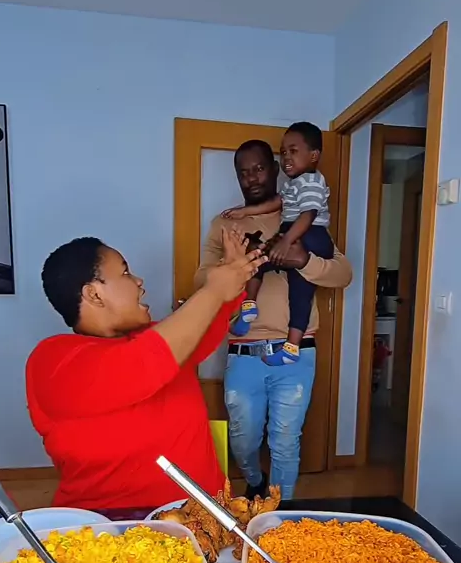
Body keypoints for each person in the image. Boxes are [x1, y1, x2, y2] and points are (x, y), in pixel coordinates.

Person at [26, 232, 266, 511]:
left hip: (203, 518)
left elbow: (201, 330)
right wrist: (213, 290)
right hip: (112, 526)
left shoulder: (156, 339)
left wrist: (233, 277)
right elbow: (142, 364)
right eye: (125, 272)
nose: (139, 281)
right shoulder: (53, 359)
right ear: (94, 294)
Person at [195, 139, 352, 500]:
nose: (251, 178)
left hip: (297, 351)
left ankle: (279, 513)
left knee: (285, 440)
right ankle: (254, 480)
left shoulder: (300, 212)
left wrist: (304, 261)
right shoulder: (225, 223)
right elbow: (200, 278)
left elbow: (343, 274)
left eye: (259, 168)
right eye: (243, 172)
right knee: (243, 438)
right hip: (243, 351)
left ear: (276, 169)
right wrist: (234, 265)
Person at [222, 122, 333, 366]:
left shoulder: (312, 181)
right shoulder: (294, 184)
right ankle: (252, 311)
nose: (287, 158)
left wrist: (289, 243)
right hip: (295, 233)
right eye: (283, 152)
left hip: (310, 236)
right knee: (260, 261)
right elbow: (278, 203)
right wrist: (245, 212)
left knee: (296, 290)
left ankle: (285, 341)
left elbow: (309, 215)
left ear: (314, 156)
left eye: (293, 151)